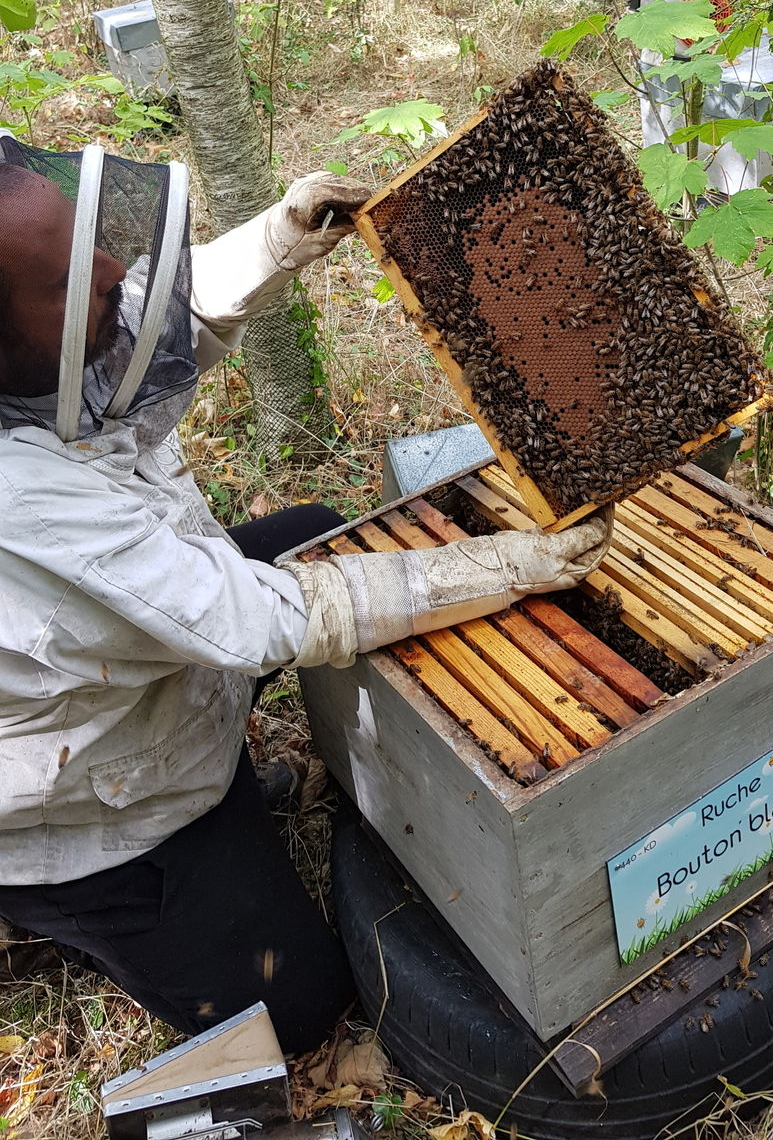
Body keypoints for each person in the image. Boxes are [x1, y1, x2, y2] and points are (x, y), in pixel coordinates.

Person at [0, 135, 611, 1054]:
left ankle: (226, 794)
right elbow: (262, 617)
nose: (115, 269)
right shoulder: (23, 509)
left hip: (136, 652)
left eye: (91, 244)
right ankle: (57, 912)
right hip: (89, 803)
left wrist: (277, 240)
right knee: (302, 1003)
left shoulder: (33, 355)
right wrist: (496, 568)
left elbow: (141, 323)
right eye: (63, 281)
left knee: (317, 530)